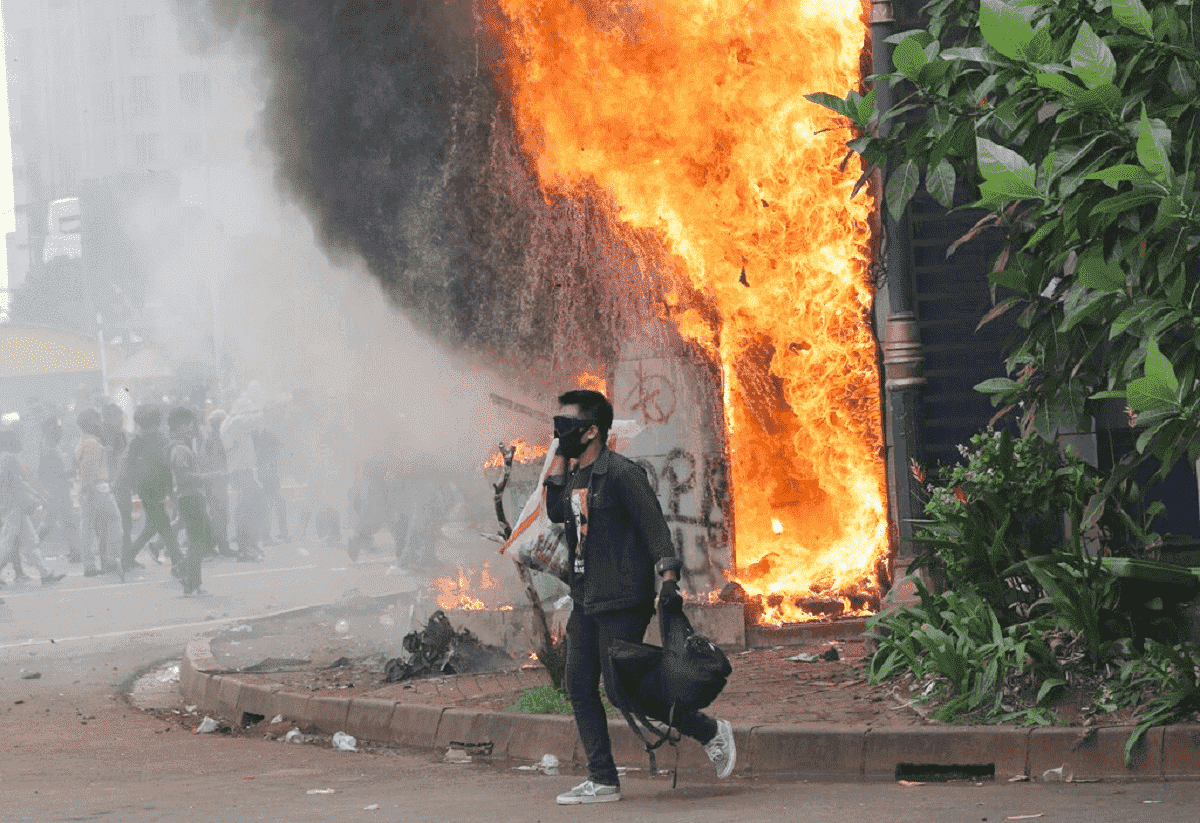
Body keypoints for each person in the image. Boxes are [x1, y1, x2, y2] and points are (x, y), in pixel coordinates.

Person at [544, 389, 735, 805]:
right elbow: (556, 511)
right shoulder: (577, 476)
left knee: (620, 691)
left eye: (566, 426)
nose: (559, 433)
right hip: (585, 600)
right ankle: (603, 780)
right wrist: (560, 452)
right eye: (556, 426)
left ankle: (708, 730)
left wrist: (669, 582)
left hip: (621, 598)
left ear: (592, 430)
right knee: (577, 684)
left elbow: (655, 528)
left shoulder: (622, 474)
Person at [124, 406, 181, 571]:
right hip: (156, 487)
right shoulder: (158, 439)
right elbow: (166, 463)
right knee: (162, 524)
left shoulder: (138, 440)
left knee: (153, 525)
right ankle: (177, 558)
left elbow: (130, 465)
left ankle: (128, 557)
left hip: (147, 487)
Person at [167, 407, 213, 596]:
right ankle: (190, 579)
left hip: (190, 497)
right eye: (189, 424)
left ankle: (190, 579)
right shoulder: (180, 449)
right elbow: (184, 476)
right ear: (181, 426)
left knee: (199, 541)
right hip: (191, 497)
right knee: (199, 541)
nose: (192, 428)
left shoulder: (181, 447)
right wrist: (208, 476)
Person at [75, 408, 123, 578]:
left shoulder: (84, 442)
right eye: (97, 420)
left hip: (89, 489)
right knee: (114, 520)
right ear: (91, 423)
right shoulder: (92, 444)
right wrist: (91, 490)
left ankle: (90, 564)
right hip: (97, 488)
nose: (100, 422)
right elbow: (89, 470)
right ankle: (112, 558)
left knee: (88, 527)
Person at [37, 416, 81, 564]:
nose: (61, 431)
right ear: (51, 431)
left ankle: (30, 549)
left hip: (56, 491)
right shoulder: (50, 449)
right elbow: (54, 475)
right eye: (58, 428)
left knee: (50, 523)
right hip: (57, 492)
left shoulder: (50, 447)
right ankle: (75, 551)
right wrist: (73, 471)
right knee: (64, 522)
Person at [102, 403, 133, 567]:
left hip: (113, 483)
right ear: (107, 418)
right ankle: (126, 558)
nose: (120, 420)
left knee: (114, 523)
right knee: (124, 522)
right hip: (117, 484)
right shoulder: (118, 435)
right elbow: (121, 460)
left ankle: (117, 558)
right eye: (117, 417)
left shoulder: (106, 434)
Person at [199, 410, 232, 557]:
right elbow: (211, 461)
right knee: (220, 515)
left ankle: (215, 545)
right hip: (216, 480)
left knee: (218, 515)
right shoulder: (214, 438)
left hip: (215, 479)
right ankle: (222, 547)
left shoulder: (211, 437)